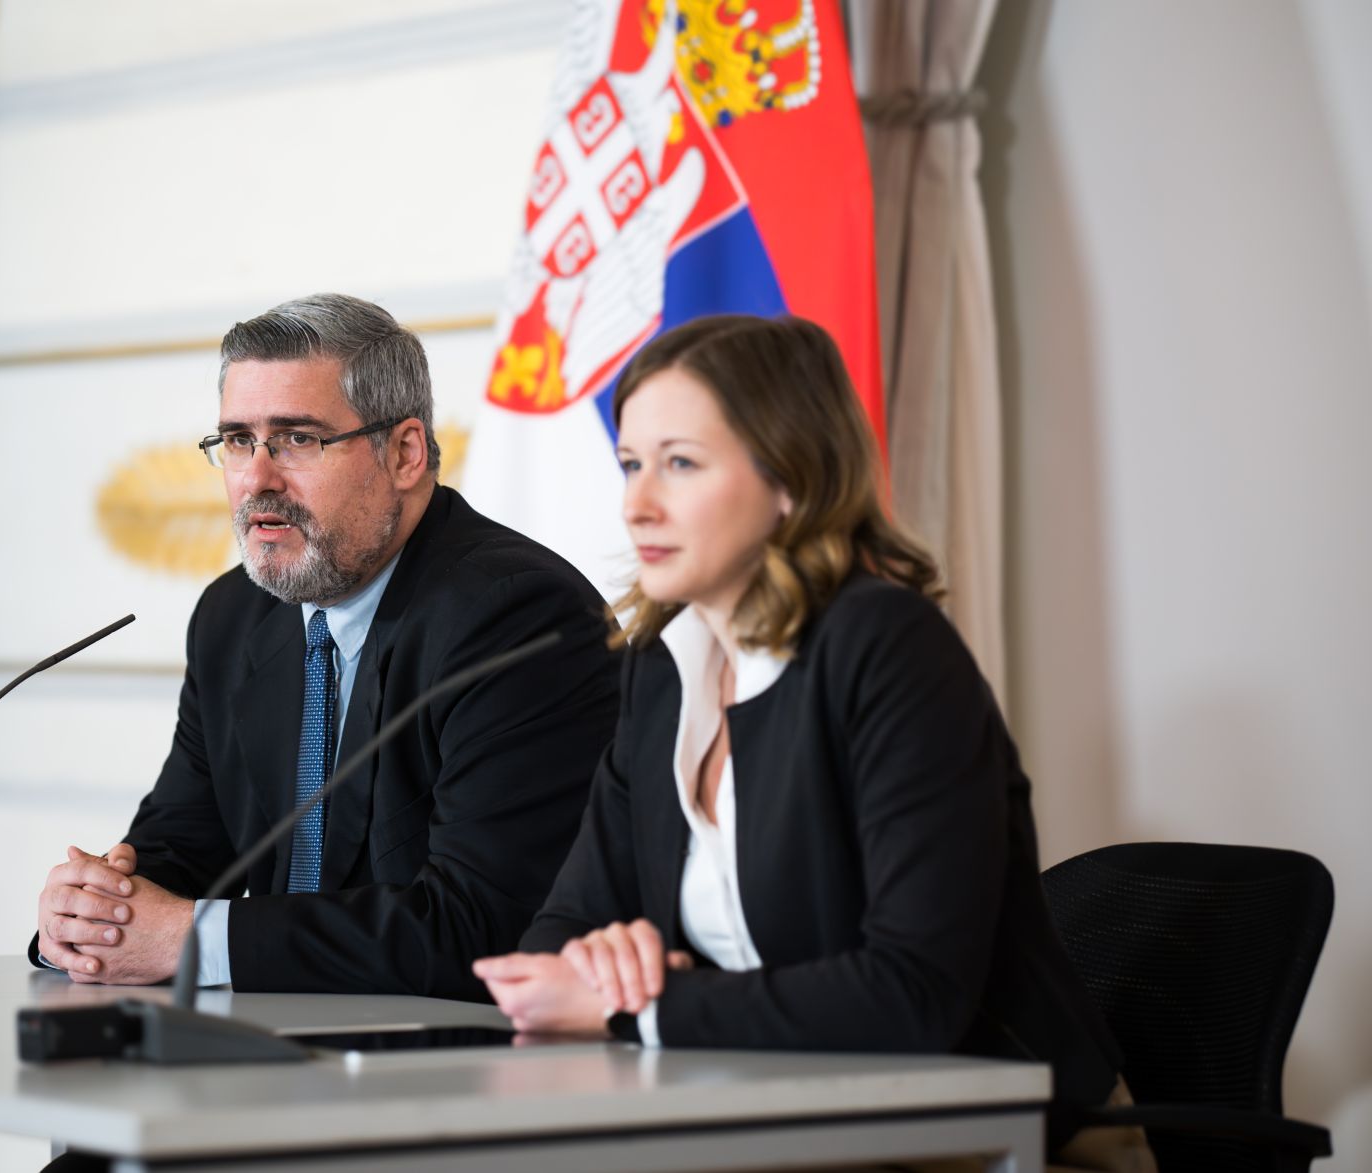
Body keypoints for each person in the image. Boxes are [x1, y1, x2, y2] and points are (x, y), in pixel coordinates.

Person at [473, 314, 1152, 1171]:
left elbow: (912, 995)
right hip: (771, 1120)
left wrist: (638, 1006)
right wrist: (600, 960)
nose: (636, 504)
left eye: (680, 463)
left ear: (791, 478)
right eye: (631, 463)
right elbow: (557, 935)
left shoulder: (887, 649)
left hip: (989, 1136)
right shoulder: (663, 669)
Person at [30, 293, 619, 1000]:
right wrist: (91, 914)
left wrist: (193, 940)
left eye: (297, 440)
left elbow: (481, 924)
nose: (257, 479)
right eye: (238, 440)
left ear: (404, 453)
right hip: (275, 1038)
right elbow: (179, 851)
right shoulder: (233, 617)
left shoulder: (515, 616)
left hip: (465, 1050)